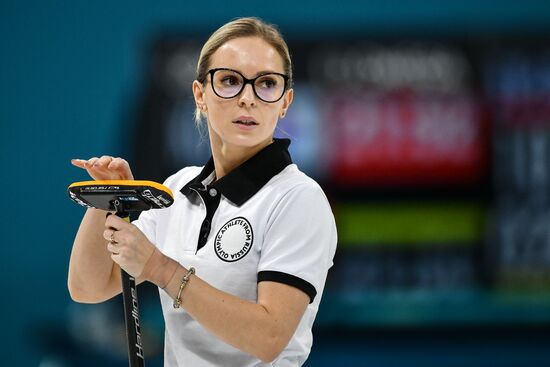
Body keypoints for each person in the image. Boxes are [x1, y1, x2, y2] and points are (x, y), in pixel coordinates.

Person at [68, 17, 337, 367]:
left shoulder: (299, 199)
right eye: (229, 81)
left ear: (285, 102)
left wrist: (161, 269)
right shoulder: (177, 189)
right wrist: (106, 199)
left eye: (266, 84)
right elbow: (87, 288)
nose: (247, 98)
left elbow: (268, 337)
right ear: (200, 94)